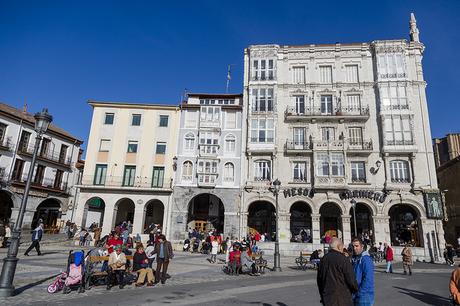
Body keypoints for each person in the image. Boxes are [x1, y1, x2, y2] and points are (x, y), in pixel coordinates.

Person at [317, 238, 358, 306]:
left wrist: (323, 296)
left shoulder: (323, 259)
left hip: (328, 299)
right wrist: (355, 289)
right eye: (342, 247)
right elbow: (351, 279)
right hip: (343, 299)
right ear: (339, 246)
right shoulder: (343, 259)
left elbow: (319, 281)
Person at [351, 238, 375, 306]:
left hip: (364, 295)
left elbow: (368, 279)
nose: (354, 248)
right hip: (356, 294)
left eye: (356, 246)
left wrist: (359, 292)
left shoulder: (366, 259)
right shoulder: (355, 258)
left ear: (362, 246)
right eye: (353, 246)